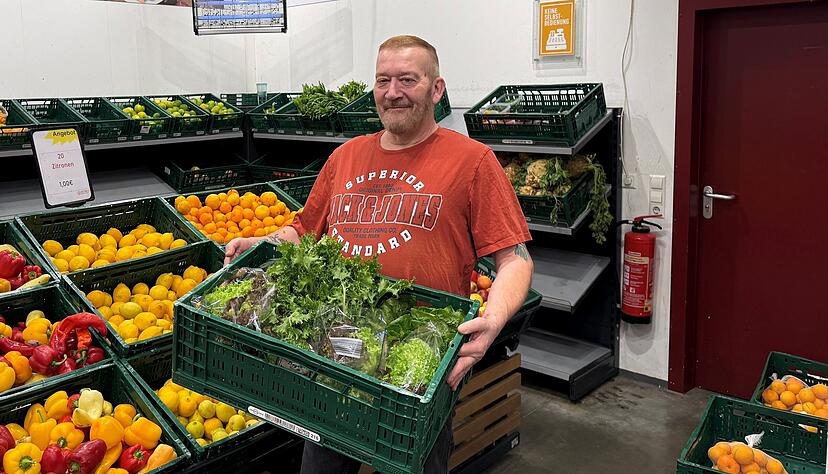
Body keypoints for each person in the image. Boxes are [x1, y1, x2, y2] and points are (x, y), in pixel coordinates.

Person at [224, 34, 534, 474]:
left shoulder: (473, 161)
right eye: (383, 80)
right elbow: (304, 232)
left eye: (408, 79)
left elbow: (515, 258)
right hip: (335, 349)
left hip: (420, 357)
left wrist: (496, 317)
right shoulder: (346, 157)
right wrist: (261, 244)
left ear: (437, 89)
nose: (393, 92)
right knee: (322, 466)